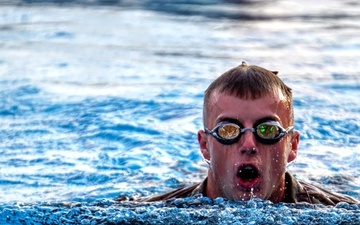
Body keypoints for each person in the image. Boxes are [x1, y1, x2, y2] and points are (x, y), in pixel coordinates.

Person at [117, 62, 359, 206]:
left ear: (292, 146)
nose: (248, 144)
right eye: (228, 130)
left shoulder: (335, 211)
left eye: (268, 130)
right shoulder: (160, 210)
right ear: (204, 145)